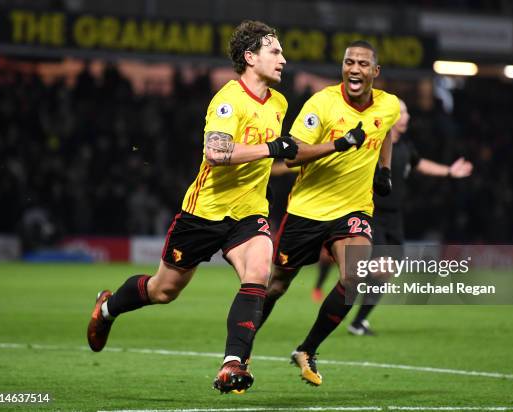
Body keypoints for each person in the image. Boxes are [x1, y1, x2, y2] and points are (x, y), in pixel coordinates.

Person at [86, 20, 298, 394]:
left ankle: (233, 363)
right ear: (250, 57)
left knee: (259, 272)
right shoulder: (228, 100)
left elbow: (277, 155)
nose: (284, 58)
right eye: (275, 51)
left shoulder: (279, 103)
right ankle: (107, 308)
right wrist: (271, 148)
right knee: (163, 291)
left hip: (249, 214)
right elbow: (215, 153)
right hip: (204, 213)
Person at [255, 40, 401, 386]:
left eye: (363, 64)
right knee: (276, 285)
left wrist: (385, 170)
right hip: (307, 209)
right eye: (349, 61)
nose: (354, 68)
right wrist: (339, 144)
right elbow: (292, 155)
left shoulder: (388, 105)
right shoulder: (322, 102)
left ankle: (307, 349)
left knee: (354, 277)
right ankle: (238, 354)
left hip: (353, 209)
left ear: (374, 72)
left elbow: (386, 130)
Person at [313, 98, 473, 336]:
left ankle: (358, 322)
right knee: (381, 268)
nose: (407, 116)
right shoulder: (373, 144)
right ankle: (350, 273)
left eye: (407, 111)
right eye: (403, 111)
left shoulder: (406, 147)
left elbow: (419, 164)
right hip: (372, 213)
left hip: (395, 217)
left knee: (388, 271)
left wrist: (449, 171)